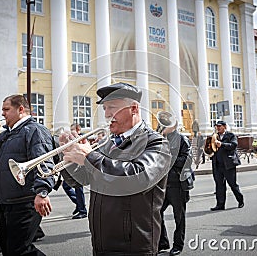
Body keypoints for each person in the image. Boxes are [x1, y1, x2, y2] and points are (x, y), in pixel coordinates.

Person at [50, 82, 171, 255]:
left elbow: (138, 177)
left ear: (134, 108)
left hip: (133, 243)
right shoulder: (106, 143)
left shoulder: (156, 143)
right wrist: (67, 154)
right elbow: (79, 180)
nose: (107, 115)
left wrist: (88, 157)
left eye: (112, 108)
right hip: (101, 240)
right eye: (105, 108)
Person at [0, 94, 55, 255]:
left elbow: (43, 163)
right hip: (5, 201)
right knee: (9, 251)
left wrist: (42, 191)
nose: (2, 113)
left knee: (20, 251)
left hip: (24, 201)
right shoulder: (6, 134)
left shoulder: (35, 130)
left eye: (6, 109)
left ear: (21, 109)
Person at [159, 121, 193, 256]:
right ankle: (163, 242)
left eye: (165, 125)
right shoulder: (161, 139)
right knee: (157, 212)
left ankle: (178, 244)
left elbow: (187, 160)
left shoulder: (182, 139)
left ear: (173, 126)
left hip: (177, 184)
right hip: (163, 184)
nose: (162, 127)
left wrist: (169, 159)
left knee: (179, 216)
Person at [210, 120, 244, 211]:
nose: (218, 128)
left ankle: (240, 200)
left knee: (232, 184)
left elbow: (233, 145)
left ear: (224, 127)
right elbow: (211, 148)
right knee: (219, 185)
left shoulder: (230, 135)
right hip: (217, 165)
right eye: (217, 126)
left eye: (220, 126)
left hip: (228, 164)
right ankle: (220, 205)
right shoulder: (214, 136)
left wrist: (222, 144)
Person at [61, 123, 87, 219]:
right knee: (66, 186)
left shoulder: (82, 138)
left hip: (78, 169)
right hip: (72, 168)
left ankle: (82, 210)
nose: (71, 132)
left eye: (73, 130)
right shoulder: (72, 139)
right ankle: (78, 204)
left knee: (78, 189)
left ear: (78, 130)